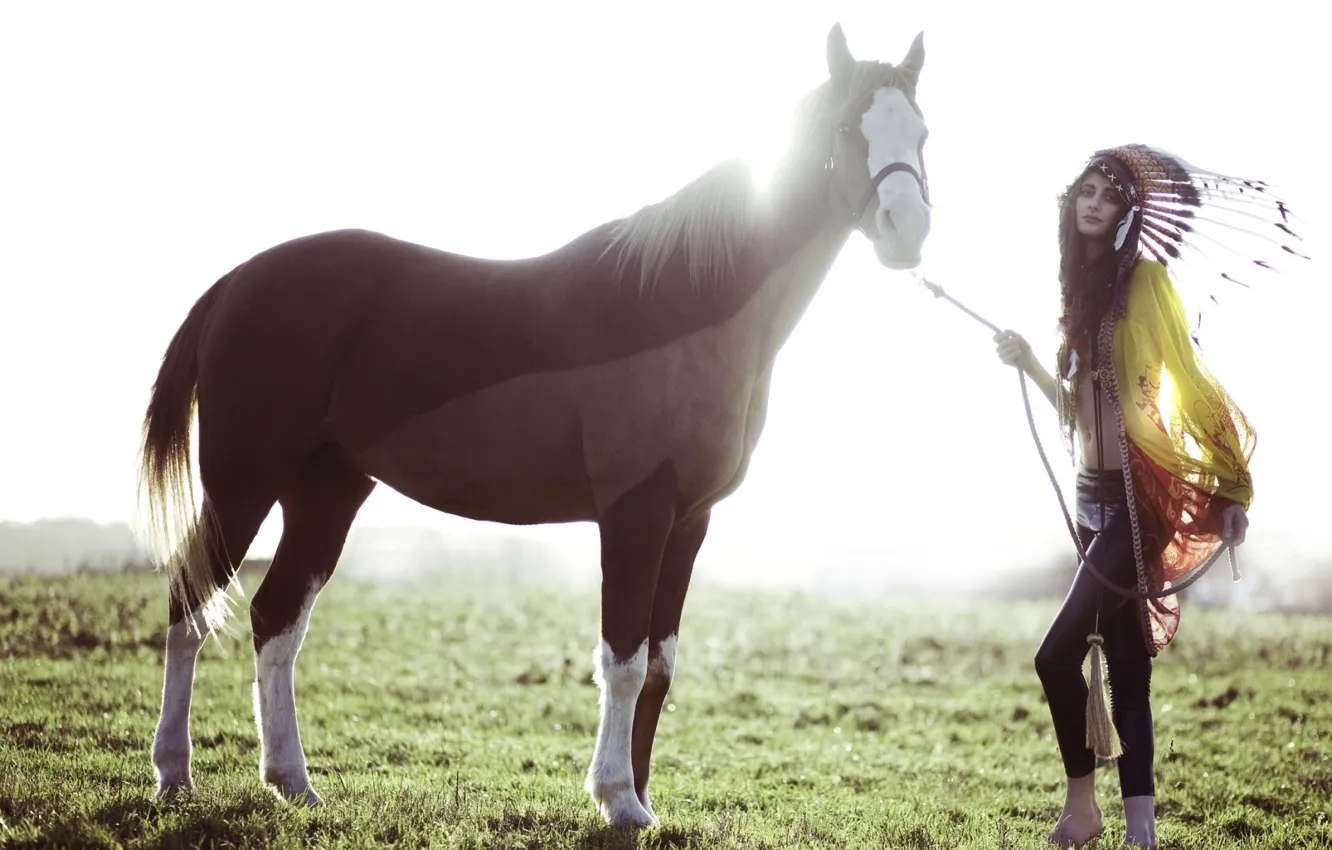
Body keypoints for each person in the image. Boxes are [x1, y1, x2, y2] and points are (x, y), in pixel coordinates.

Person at [988, 143, 1298, 849]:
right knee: (1126, 664)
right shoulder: (1079, 291)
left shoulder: (1145, 285)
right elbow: (1073, 413)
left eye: (1106, 194)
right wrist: (1031, 360)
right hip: (1088, 495)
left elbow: (1187, 380)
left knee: (1054, 655)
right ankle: (1140, 831)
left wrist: (1230, 484)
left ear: (1126, 211)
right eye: (1084, 192)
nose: (1091, 202)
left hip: (1133, 500)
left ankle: (1082, 807)